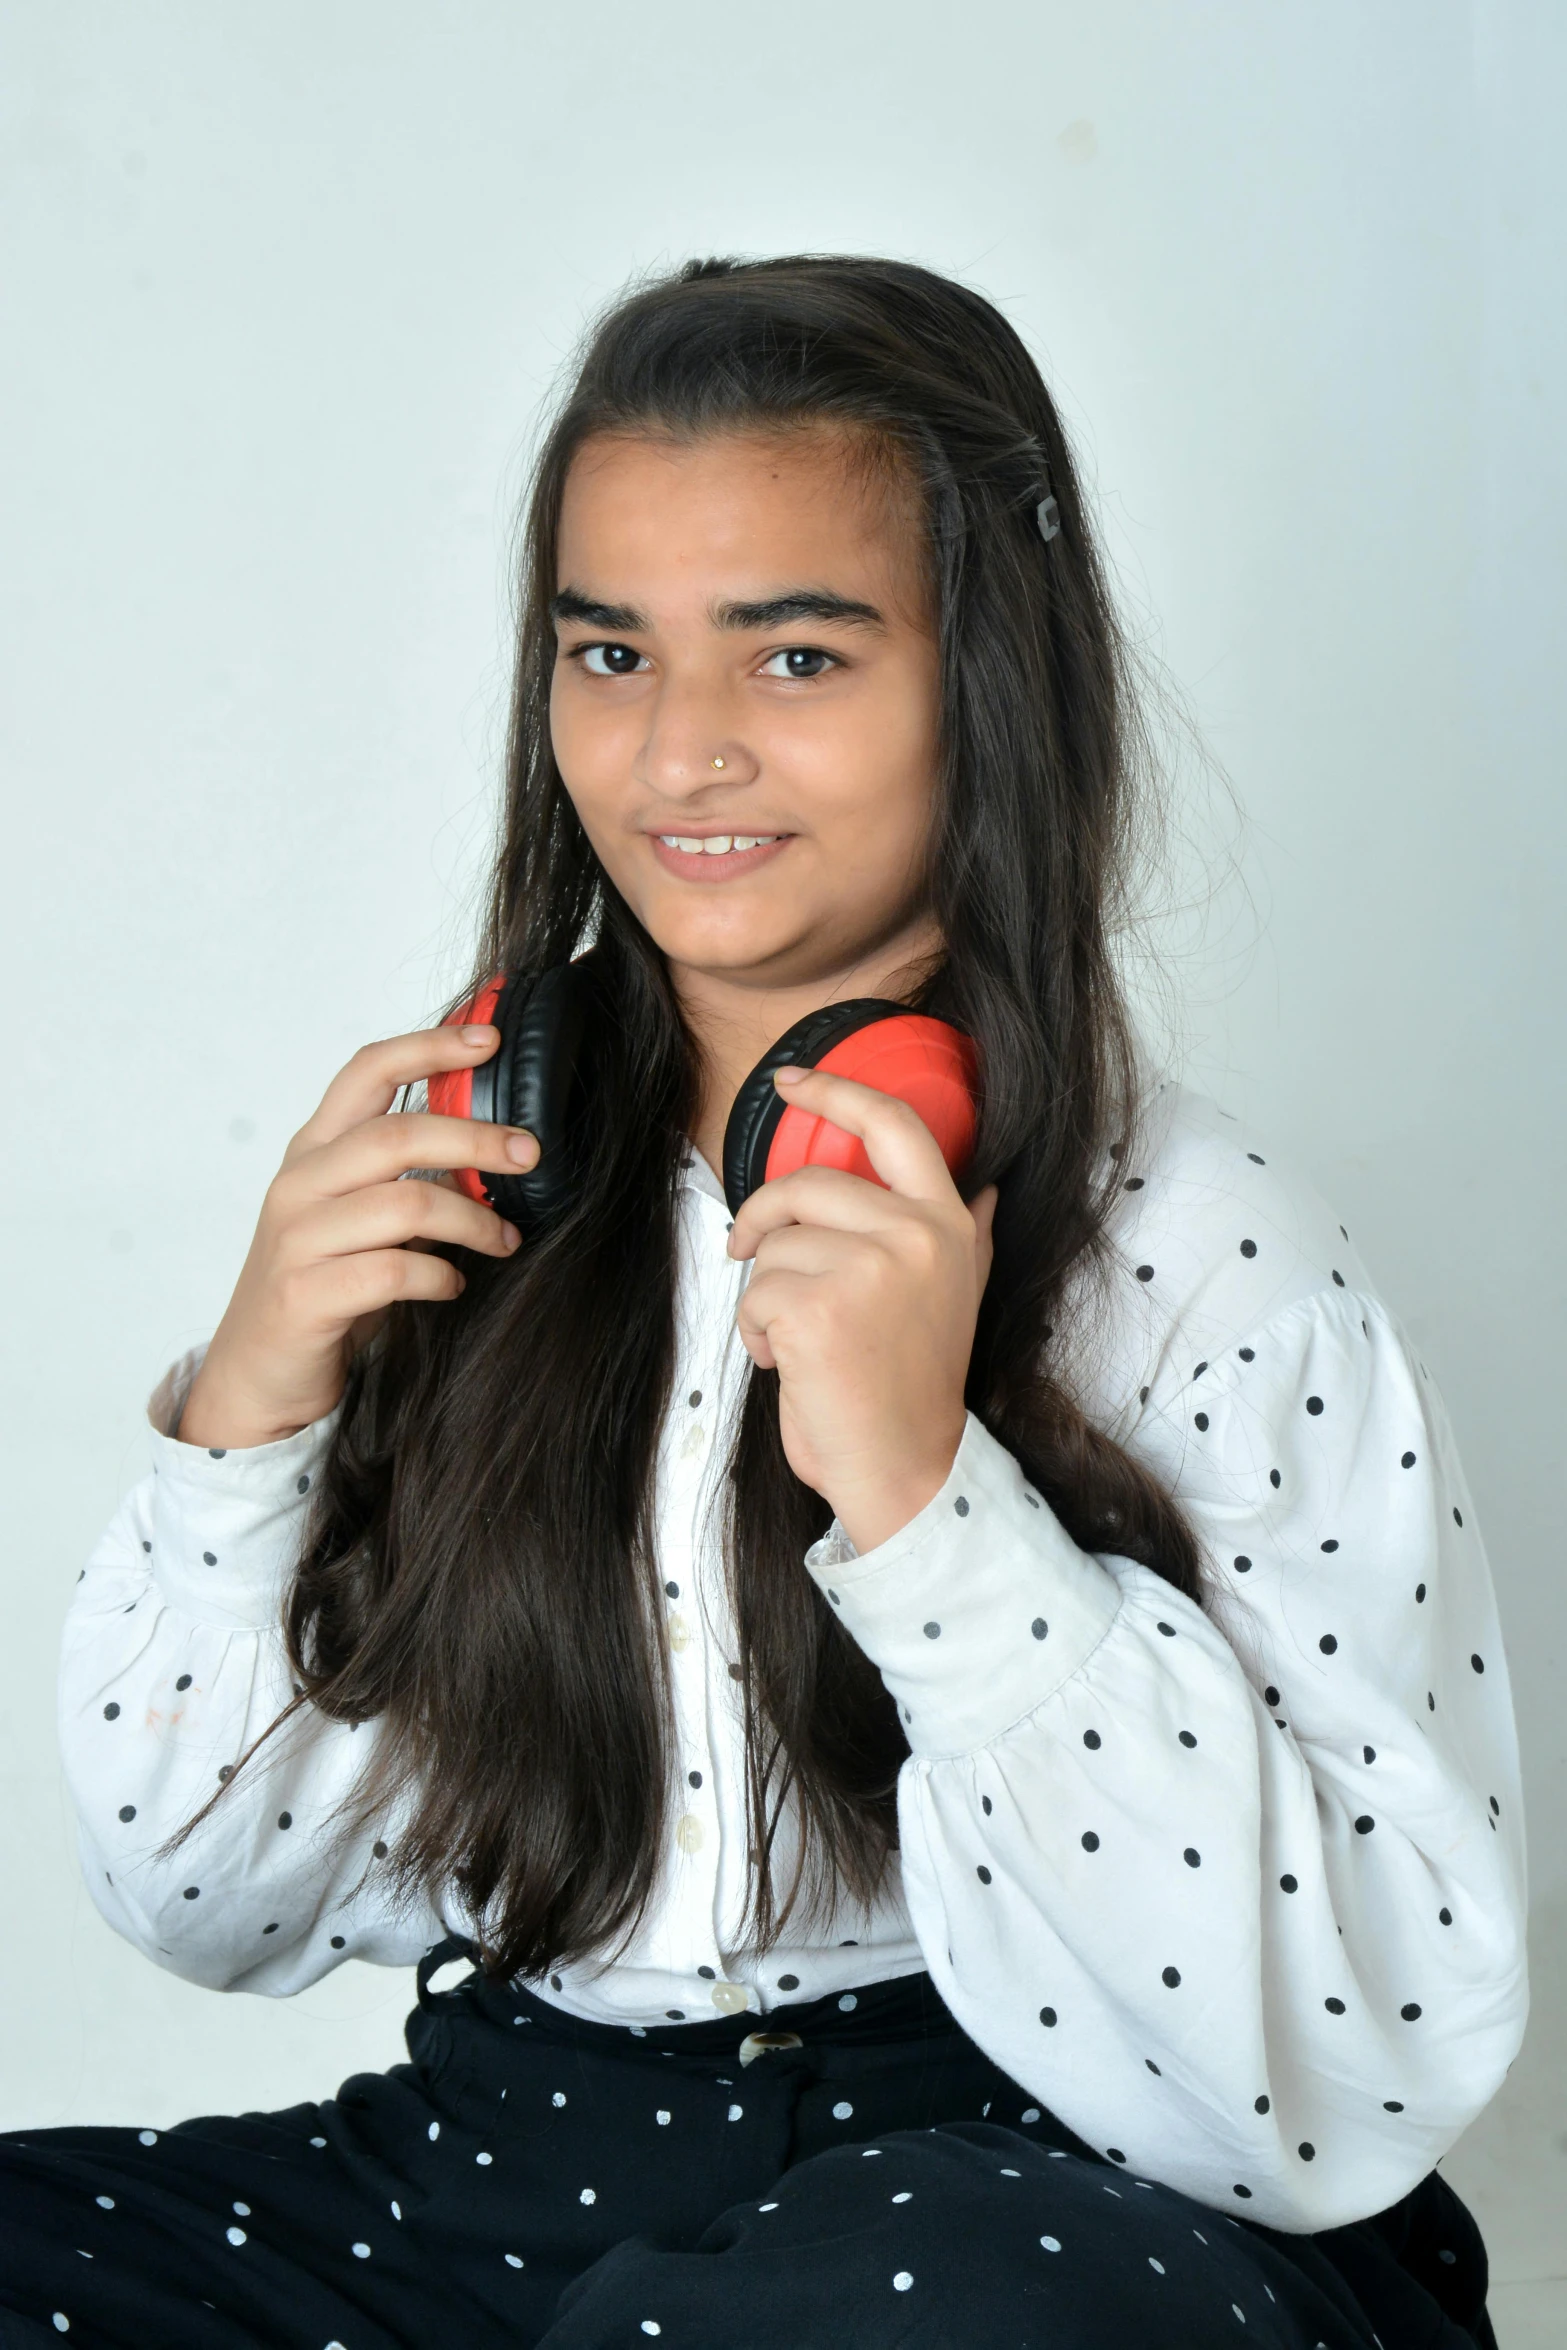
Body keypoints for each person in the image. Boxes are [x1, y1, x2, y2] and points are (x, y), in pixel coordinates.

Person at [1, 257, 1523, 2350]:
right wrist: (259, 1407)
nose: (681, 751)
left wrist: (923, 1495)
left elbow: (1326, 2081)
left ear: (981, 677)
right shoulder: (466, 1175)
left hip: (1040, 2194)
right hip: (512, 2161)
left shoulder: (1200, 1243)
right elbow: (203, 1904)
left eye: (795, 653)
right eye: (609, 650)